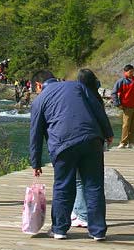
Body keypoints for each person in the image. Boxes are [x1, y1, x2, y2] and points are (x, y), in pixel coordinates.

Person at [30, 69, 114, 241]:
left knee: (63, 186)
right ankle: (97, 231)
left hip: (63, 145)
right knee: (94, 185)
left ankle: (59, 229)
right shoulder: (77, 86)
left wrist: (36, 162)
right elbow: (96, 107)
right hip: (91, 139)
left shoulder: (39, 101)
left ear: (39, 85)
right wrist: (108, 132)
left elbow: (35, 133)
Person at [71, 68, 107, 229]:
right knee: (88, 180)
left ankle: (82, 214)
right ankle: (78, 210)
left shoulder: (78, 96)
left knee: (79, 180)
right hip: (95, 141)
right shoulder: (96, 97)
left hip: (76, 140)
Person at [112, 64, 134, 149]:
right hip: (126, 107)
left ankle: (132, 143)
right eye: (130, 72)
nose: (132, 73)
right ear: (125, 72)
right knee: (126, 125)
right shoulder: (121, 81)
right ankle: (123, 142)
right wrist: (118, 104)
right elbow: (114, 93)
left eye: (133, 71)